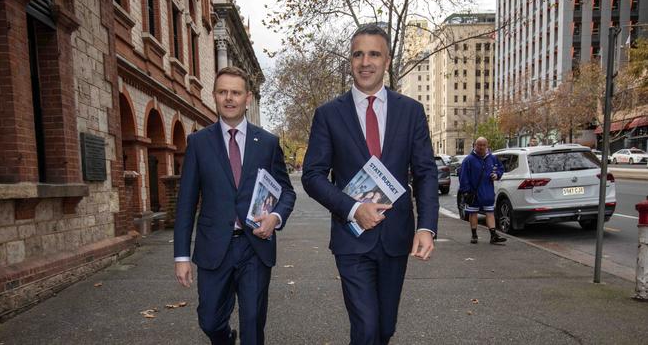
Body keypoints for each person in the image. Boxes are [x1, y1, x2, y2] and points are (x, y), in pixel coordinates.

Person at [302, 23, 439, 345]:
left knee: (384, 328)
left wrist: (427, 227)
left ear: (387, 60)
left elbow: (425, 173)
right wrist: (352, 208)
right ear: (350, 60)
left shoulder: (411, 112)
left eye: (374, 54)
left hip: (396, 237)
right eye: (358, 54)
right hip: (352, 239)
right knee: (365, 328)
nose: (366, 62)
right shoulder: (328, 115)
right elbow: (312, 175)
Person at [173, 66, 296, 345]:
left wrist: (275, 217)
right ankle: (226, 338)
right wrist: (181, 256)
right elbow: (185, 204)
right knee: (210, 320)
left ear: (247, 98)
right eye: (223, 92)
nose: (229, 98)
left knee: (253, 324)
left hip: (255, 246)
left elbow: (286, 192)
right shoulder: (198, 143)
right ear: (215, 96)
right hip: (214, 246)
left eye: (236, 93)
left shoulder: (266, 142)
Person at [459, 137, 506, 245]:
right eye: (479, 145)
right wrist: (466, 191)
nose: (481, 147)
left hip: (487, 191)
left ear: (487, 145)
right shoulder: (468, 160)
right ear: (475, 145)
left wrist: (497, 175)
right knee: (473, 213)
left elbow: (500, 168)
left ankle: (493, 235)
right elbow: (463, 177)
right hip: (473, 192)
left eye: (483, 145)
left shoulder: (492, 158)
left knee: (490, 212)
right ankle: (474, 235)